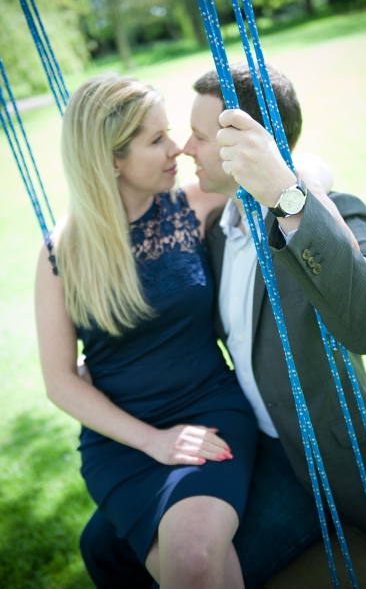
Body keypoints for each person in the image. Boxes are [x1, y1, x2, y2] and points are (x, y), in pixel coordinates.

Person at [78, 63, 366, 589]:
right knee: (99, 544)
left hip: (306, 463)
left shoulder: (329, 217)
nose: (185, 149)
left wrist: (293, 191)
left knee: (185, 571)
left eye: (198, 135)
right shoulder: (215, 230)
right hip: (242, 436)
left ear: (248, 145)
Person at [34, 73, 333, 589]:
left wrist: (301, 180)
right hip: (121, 441)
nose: (177, 148)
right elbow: (59, 381)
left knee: (194, 564)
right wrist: (153, 442)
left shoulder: (190, 207)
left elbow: (300, 169)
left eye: (167, 131)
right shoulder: (63, 251)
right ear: (111, 160)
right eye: (156, 140)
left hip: (208, 411)